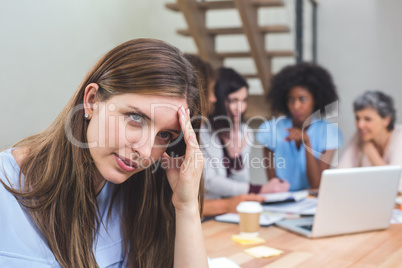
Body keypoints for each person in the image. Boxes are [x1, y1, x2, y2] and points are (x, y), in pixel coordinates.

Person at [0, 39, 208, 267]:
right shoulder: (6, 189)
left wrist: (186, 207)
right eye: (136, 118)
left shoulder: (142, 193)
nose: (146, 151)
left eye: (165, 135)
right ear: (91, 101)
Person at [201, 67, 290, 209]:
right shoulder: (202, 130)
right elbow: (209, 182)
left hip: (234, 210)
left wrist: (236, 159)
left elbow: (242, 181)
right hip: (210, 209)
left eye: (244, 100)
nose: (240, 108)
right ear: (218, 99)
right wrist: (258, 190)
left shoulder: (245, 132)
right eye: (233, 100)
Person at [256, 62, 342, 191]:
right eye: (291, 100)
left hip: (312, 202)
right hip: (282, 201)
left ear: (316, 100)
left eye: (302, 99)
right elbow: (274, 185)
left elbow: (316, 185)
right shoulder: (270, 131)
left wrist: (306, 141)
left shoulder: (329, 133)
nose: (296, 106)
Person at [338, 90, 402, 192]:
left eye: (367, 119)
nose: (360, 125)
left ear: (386, 120)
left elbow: (397, 186)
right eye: (357, 118)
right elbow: (339, 176)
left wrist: (369, 151)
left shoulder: (399, 137)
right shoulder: (361, 135)